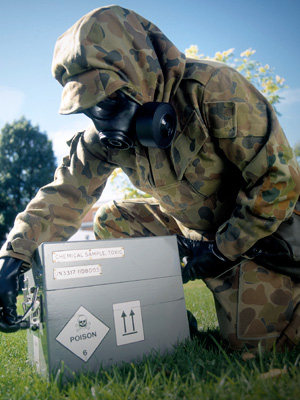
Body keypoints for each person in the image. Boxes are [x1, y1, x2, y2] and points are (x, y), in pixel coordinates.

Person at [0, 5, 300, 350]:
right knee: (113, 220)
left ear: (139, 71)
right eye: (89, 107)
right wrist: (14, 257)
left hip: (256, 238)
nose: (103, 121)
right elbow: (62, 196)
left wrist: (221, 251)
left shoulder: (213, 89)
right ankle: (166, 326)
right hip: (190, 233)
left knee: (257, 349)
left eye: (110, 100)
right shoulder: (101, 140)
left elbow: (278, 183)